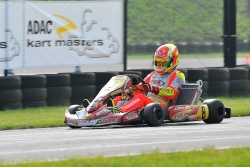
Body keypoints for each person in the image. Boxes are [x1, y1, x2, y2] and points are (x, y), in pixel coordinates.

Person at [111, 43, 186, 112]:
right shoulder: (153, 74)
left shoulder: (177, 75)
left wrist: (154, 89)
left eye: (163, 63)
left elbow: (172, 92)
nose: (160, 65)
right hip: (148, 103)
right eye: (158, 62)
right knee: (121, 98)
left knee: (140, 98)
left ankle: (120, 112)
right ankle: (103, 112)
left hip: (161, 105)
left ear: (173, 60)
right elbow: (141, 87)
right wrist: (130, 90)